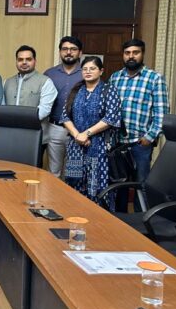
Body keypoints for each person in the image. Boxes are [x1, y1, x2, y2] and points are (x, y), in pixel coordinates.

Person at [60, 56, 122, 211]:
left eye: (92, 68)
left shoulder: (109, 90)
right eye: (85, 69)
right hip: (76, 145)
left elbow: (111, 118)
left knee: (97, 185)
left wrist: (86, 134)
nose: (88, 72)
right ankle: (75, 215)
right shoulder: (76, 90)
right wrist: (77, 135)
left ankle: (97, 219)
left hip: (100, 146)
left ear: (101, 71)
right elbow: (65, 117)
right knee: (74, 183)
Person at [109, 38, 169, 183]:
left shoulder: (154, 78)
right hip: (117, 143)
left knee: (141, 184)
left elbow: (162, 113)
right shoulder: (115, 78)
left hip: (140, 143)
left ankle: (140, 201)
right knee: (118, 185)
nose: (131, 56)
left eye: (135, 52)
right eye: (127, 53)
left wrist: (149, 138)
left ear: (142, 54)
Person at [44, 36, 84, 177]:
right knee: (53, 172)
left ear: (80, 53)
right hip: (55, 128)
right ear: (60, 52)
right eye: (65, 49)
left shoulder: (87, 73)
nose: (68, 52)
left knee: (73, 174)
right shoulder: (49, 74)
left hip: (79, 130)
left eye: (73, 49)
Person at [2, 45, 57, 134]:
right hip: (10, 132)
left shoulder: (46, 82)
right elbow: (2, 108)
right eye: (20, 59)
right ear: (16, 61)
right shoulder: (7, 82)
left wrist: (20, 122)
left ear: (35, 61)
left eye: (28, 59)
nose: (24, 62)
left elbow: (44, 109)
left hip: (35, 133)